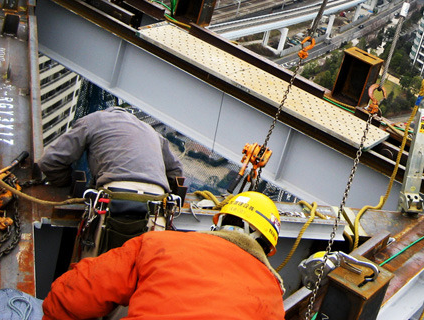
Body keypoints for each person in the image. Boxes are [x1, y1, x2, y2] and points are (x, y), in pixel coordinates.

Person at [41, 192, 285, 320]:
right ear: (268, 249)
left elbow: (74, 294)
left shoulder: (160, 243)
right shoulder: (274, 300)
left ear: (219, 221)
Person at [37, 106, 183, 196]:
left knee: (101, 243)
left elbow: (50, 161)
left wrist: (67, 186)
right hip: (157, 200)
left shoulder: (93, 120)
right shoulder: (151, 131)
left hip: (115, 194)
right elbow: (176, 170)